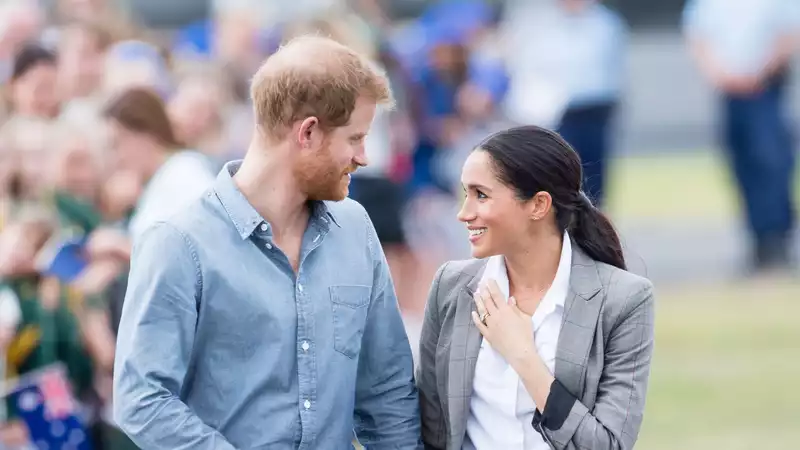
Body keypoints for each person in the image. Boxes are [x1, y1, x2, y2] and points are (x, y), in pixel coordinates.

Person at [113, 35, 421, 449]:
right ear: (308, 133)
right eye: (355, 138)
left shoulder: (356, 229)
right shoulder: (179, 242)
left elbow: (386, 393)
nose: (364, 157)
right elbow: (142, 399)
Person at [417, 126, 655, 450]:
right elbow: (430, 428)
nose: (464, 213)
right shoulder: (451, 287)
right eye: (465, 194)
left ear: (538, 205)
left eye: (481, 195)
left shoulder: (624, 300)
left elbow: (607, 444)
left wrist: (522, 355)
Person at [683, 0, 800, 271]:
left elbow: (789, 32)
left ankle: (775, 238)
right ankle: (757, 239)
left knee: (771, 161)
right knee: (742, 164)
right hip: (730, 90)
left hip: (765, 87)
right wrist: (722, 75)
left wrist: (758, 72)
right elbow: (698, 35)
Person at [500, 0, 627, 206]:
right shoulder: (535, 22)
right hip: (553, 113)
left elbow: (612, 69)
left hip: (595, 107)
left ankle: (590, 228)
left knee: (593, 180)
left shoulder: (604, 22)